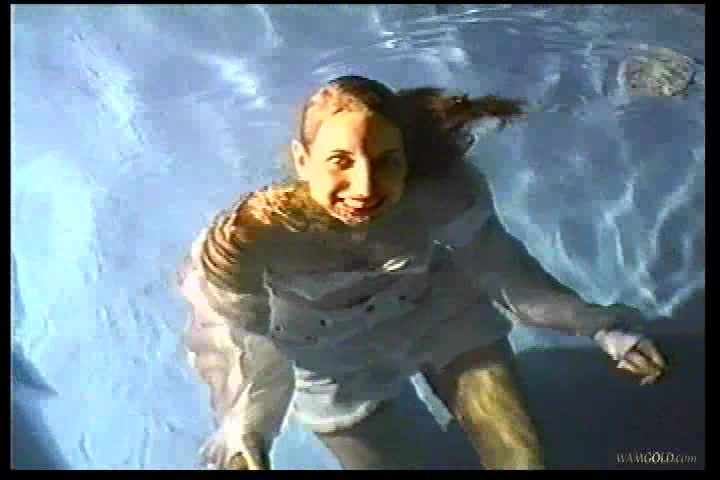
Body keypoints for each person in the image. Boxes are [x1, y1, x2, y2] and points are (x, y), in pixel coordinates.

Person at [176, 75, 667, 470]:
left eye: (385, 162)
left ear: (406, 159)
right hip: (330, 363)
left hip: (438, 317)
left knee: (521, 460)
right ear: (303, 161)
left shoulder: (439, 193)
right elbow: (237, 338)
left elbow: (505, 272)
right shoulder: (250, 239)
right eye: (341, 161)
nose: (365, 187)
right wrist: (247, 426)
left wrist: (599, 325)